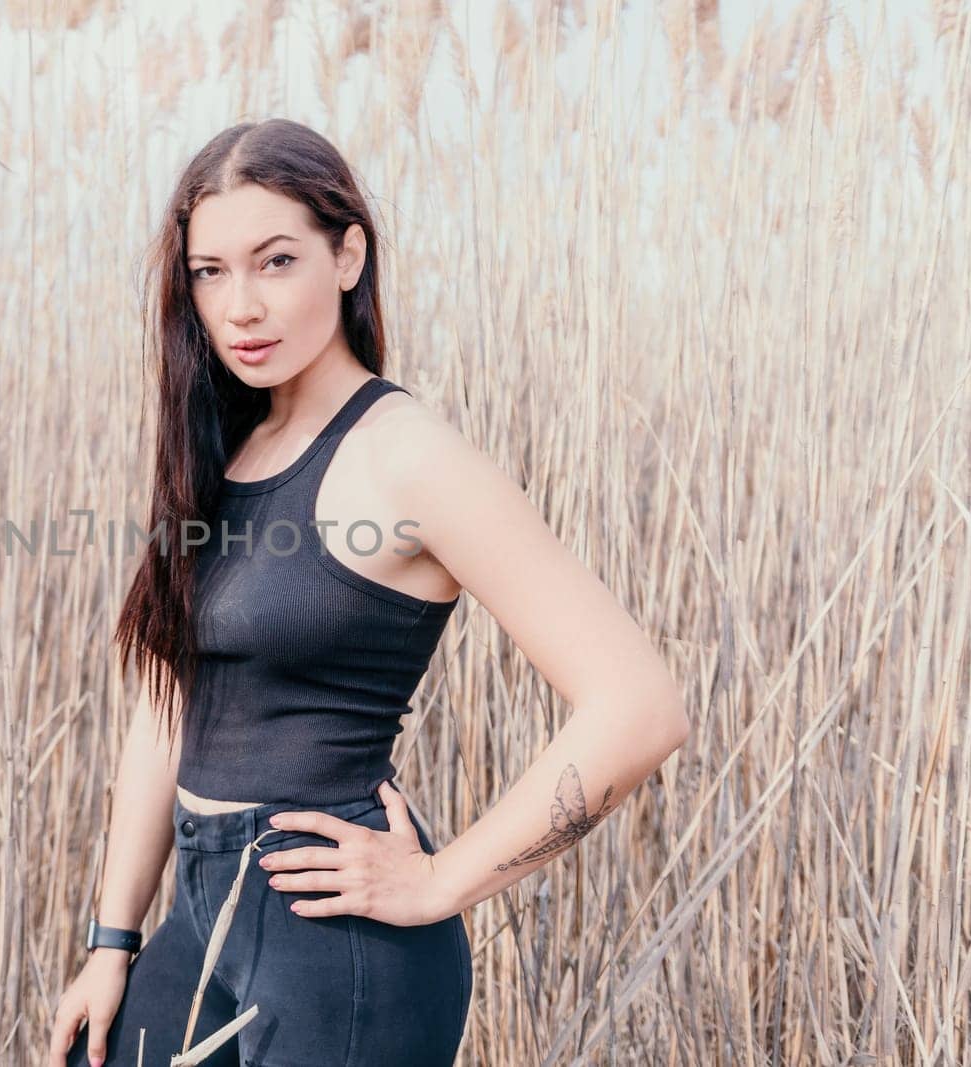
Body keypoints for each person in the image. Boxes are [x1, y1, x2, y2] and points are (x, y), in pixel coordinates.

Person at [46, 118, 689, 1067]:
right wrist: (113, 941)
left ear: (348, 254)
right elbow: (164, 704)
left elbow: (640, 706)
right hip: (199, 918)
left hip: (336, 950)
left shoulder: (409, 458)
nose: (240, 306)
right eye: (210, 272)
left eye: (275, 261)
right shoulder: (217, 449)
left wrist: (440, 881)